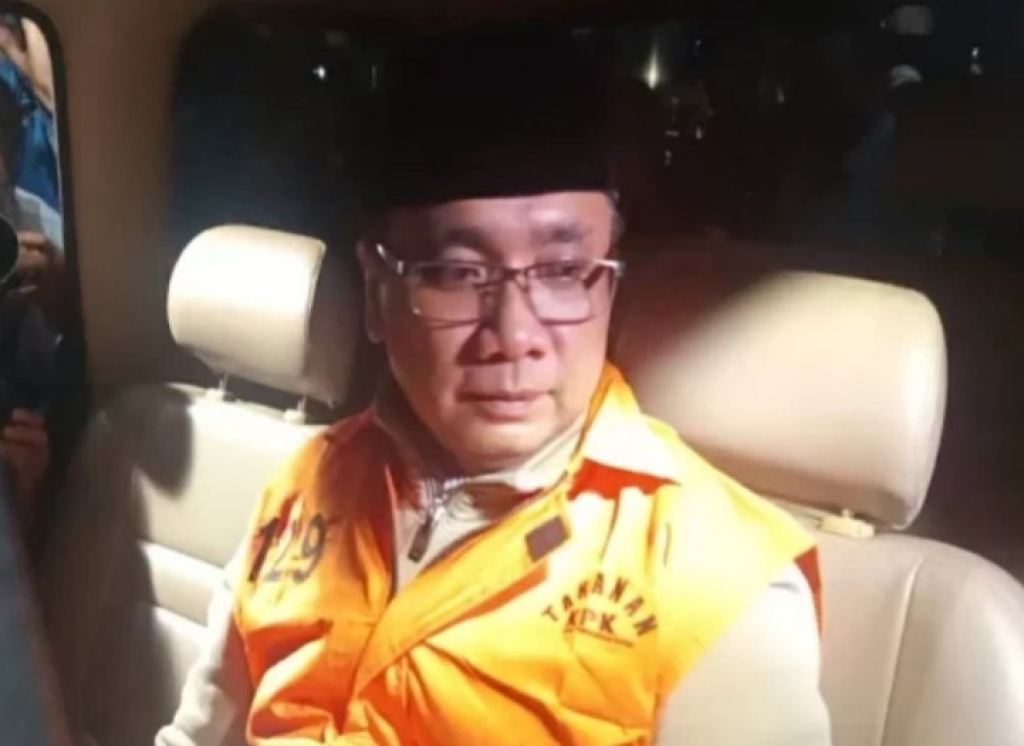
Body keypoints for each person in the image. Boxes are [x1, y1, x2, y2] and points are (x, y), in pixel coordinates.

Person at [158, 31, 831, 746]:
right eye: (457, 273)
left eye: (562, 271)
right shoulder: (309, 484)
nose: (514, 335)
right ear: (379, 292)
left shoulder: (714, 583)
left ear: (609, 283)